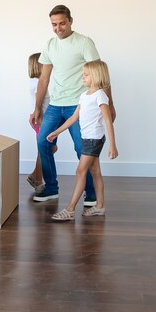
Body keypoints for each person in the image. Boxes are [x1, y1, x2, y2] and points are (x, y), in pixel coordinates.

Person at [30, 5, 115, 205]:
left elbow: (100, 74)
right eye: (54, 24)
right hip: (55, 105)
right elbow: (44, 79)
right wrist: (37, 107)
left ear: (70, 21)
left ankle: (91, 194)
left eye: (62, 23)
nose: (58, 28)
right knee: (43, 141)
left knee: (82, 148)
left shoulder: (84, 42)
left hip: (79, 105)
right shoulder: (50, 45)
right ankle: (51, 188)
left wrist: (110, 105)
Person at [46, 60, 118, 221]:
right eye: (82, 74)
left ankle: (70, 209)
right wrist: (56, 132)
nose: (82, 77)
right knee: (96, 172)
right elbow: (73, 117)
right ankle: (100, 206)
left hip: (94, 139)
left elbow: (108, 120)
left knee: (80, 171)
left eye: (86, 75)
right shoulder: (84, 96)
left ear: (97, 76)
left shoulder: (100, 95)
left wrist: (113, 145)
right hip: (87, 138)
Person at [26, 52, 57, 193]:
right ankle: (36, 177)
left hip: (40, 119)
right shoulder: (38, 83)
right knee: (47, 149)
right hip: (41, 120)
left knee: (46, 149)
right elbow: (40, 105)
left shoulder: (35, 82)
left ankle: (35, 176)